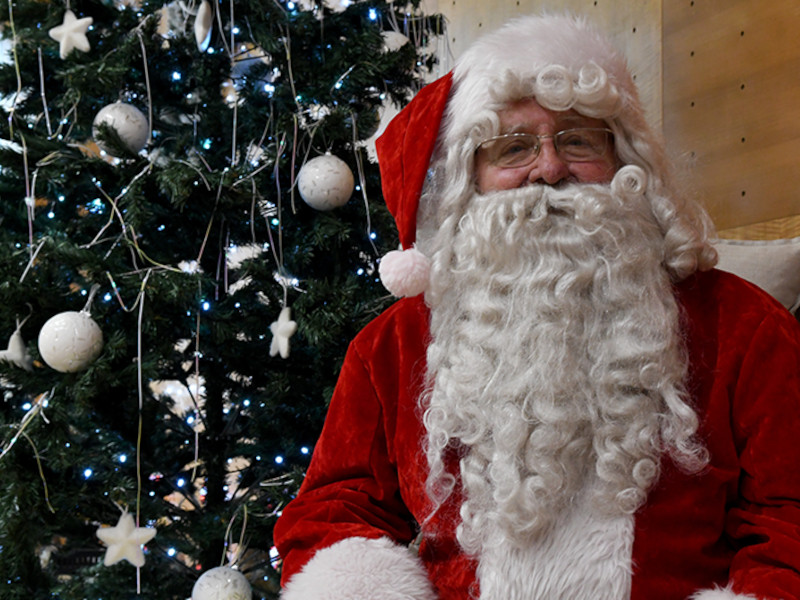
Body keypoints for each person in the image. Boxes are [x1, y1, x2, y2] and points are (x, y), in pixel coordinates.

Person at [273, 13, 800, 600]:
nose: (549, 171)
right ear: (468, 180)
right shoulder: (393, 345)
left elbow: (789, 511)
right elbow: (334, 506)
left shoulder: (743, 324)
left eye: (577, 140)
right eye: (513, 148)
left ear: (625, 161)